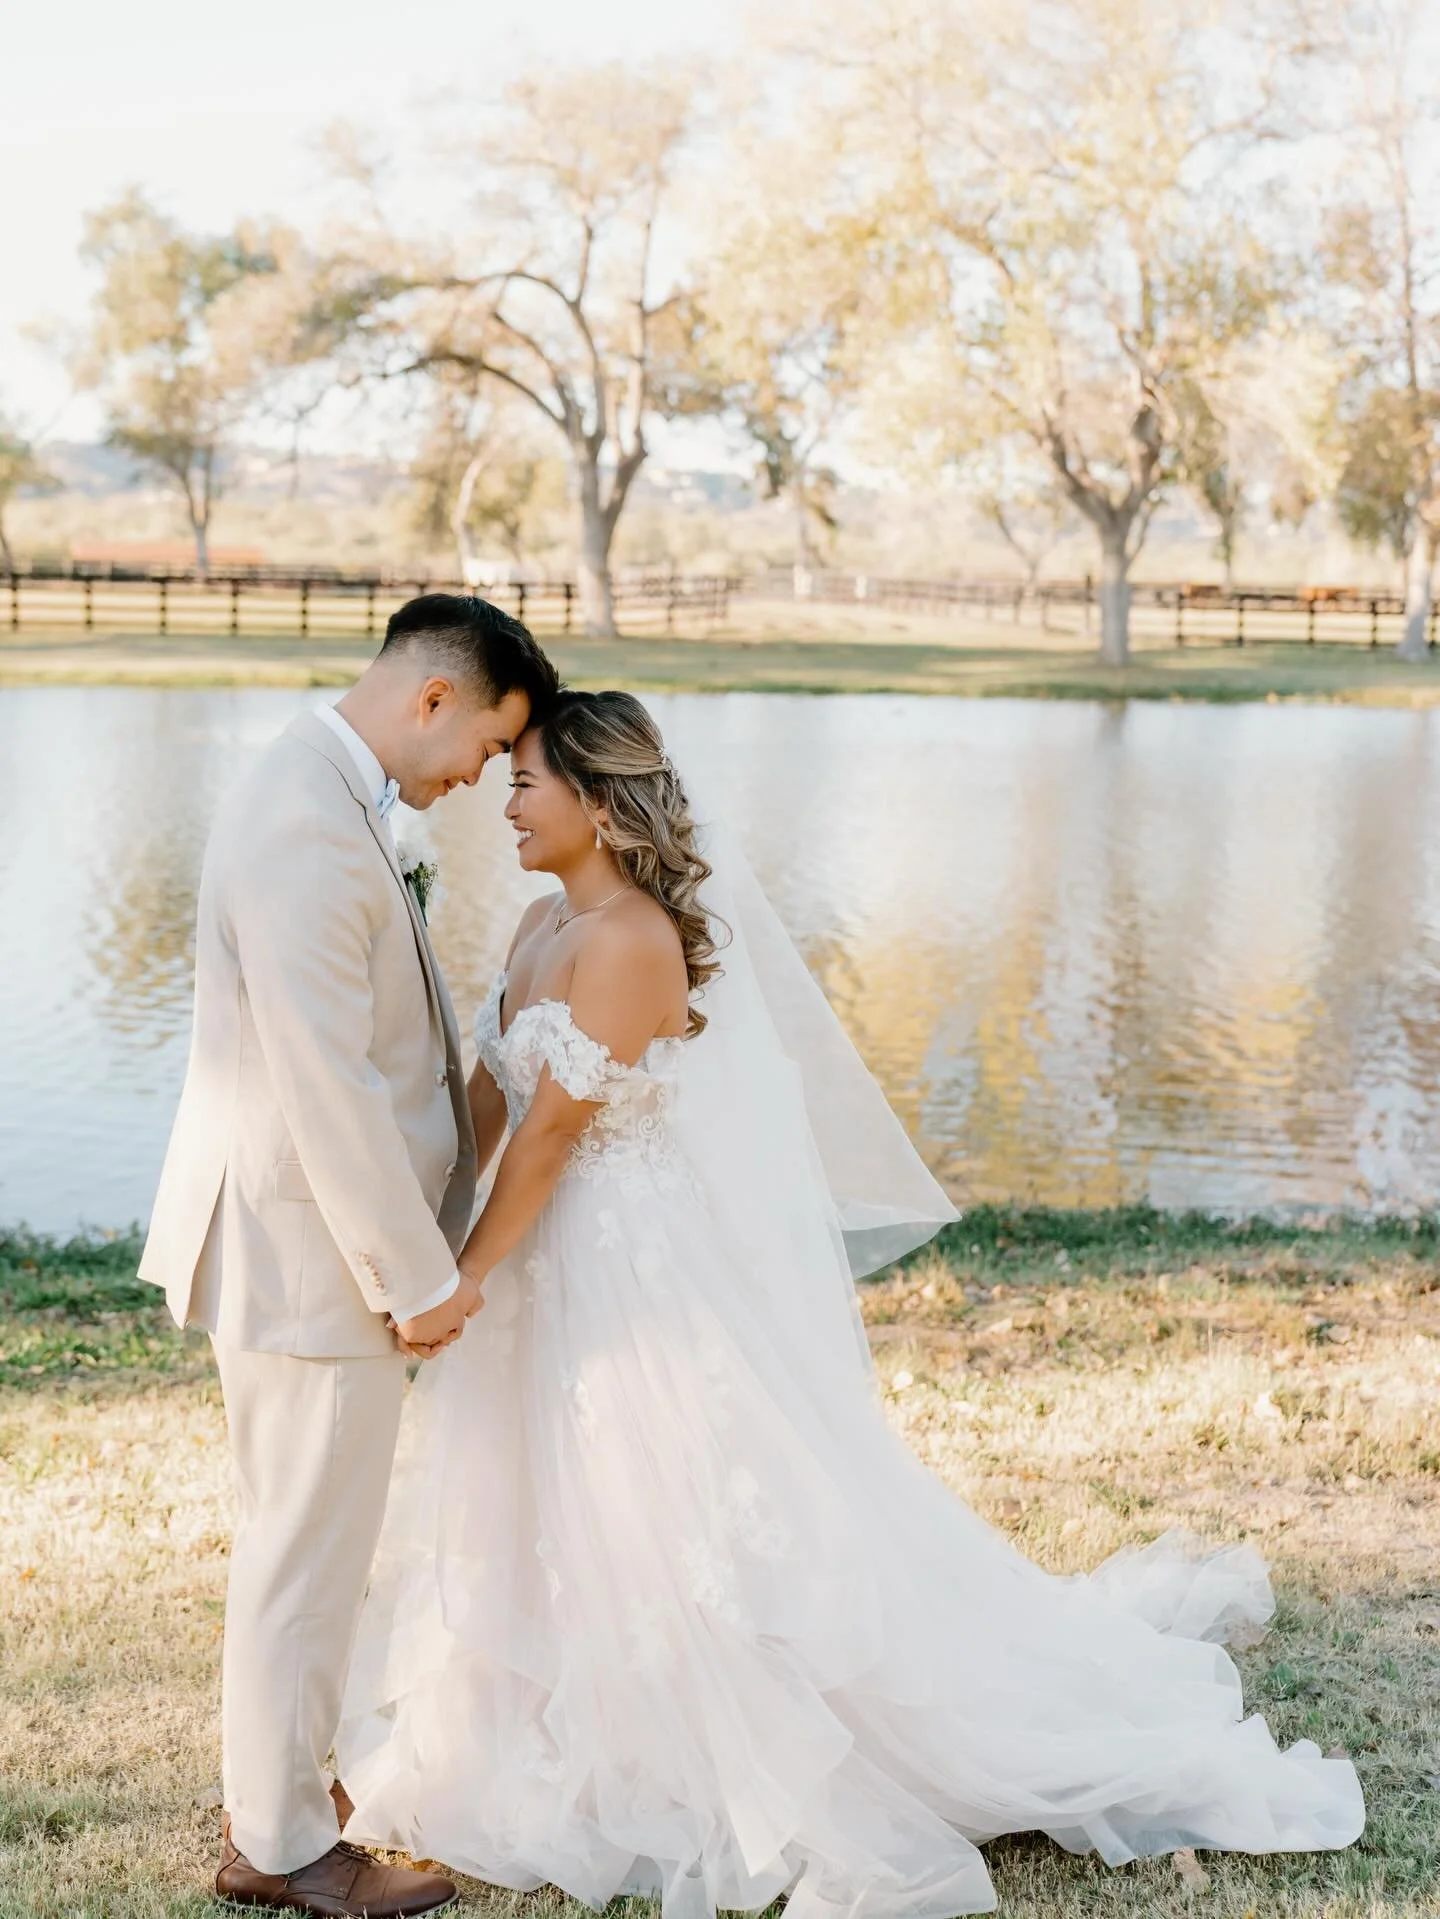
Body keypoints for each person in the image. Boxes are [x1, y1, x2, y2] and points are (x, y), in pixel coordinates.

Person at [336, 689, 1365, 1919]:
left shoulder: (629, 941)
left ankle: (720, 1735)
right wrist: (431, 1237)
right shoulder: (540, 919)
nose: (507, 802)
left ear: (601, 802)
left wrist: (466, 1281)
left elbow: (556, 1137)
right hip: (540, 1262)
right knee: (536, 1492)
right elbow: (495, 1096)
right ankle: (546, 1716)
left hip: (625, 1268)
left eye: (528, 783)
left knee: (665, 1502)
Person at [139, 593, 559, 1917]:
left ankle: (281, 1793)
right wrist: (422, 1281)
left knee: (304, 1537)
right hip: (308, 1258)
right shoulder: (306, 828)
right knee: (303, 1552)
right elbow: (327, 1093)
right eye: (489, 745)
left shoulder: (320, 792)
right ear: (435, 697)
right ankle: (279, 1847)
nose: (480, 776)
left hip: (305, 1248)